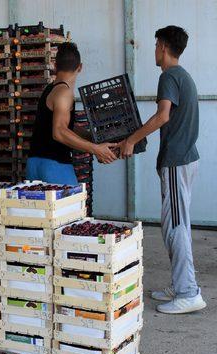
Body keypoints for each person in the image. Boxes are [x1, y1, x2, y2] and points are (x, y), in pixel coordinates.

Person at [120, 26, 205, 314]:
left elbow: (162, 115)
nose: (154, 50)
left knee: (176, 228)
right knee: (174, 226)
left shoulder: (169, 76)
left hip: (177, 161)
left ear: (164, 47)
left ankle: (187, 292)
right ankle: (180, 284)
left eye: (156, 45)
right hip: (184, 159)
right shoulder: (182, 76)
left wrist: (131, 139)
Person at [26, 42, 118, 185]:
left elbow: (65, 126)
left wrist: (92, 138)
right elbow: (59, 131)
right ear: (80, 67)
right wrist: (95, 149)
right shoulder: (65, 92)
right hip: (54, 166)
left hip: (34, 164)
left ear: (55, 66)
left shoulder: (50, 89)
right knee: (71, 207)